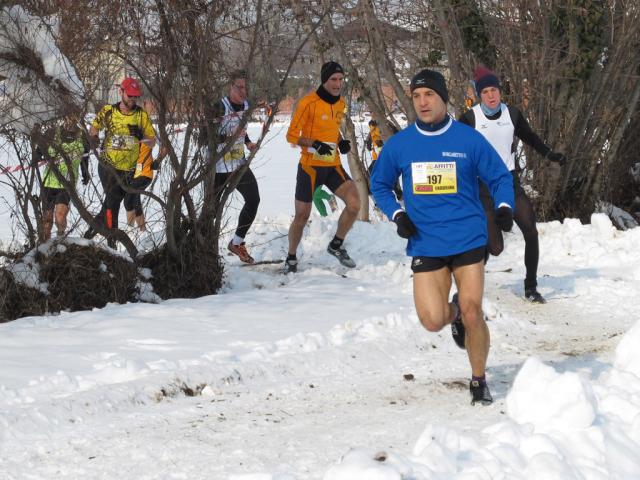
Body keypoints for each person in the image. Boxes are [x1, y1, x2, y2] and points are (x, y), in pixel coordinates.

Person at [371, 69, 515, 406]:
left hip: (468, 238)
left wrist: (504, 206)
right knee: (432, 320)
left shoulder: (467, 140)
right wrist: (397, 214)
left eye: (429, 95)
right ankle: (455, 315)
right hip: (427, 242)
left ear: (442, 98)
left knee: (473, 309)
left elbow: (498, 176)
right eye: (417, 96)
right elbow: (379, 184)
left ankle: (479, 380)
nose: (422, 102)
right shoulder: (401, 144)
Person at [458, 66, 566, 303]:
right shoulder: (469, 119)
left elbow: (530, 137)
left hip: (508, 181)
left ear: (500, 91)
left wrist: (550, 154)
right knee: (495, 247)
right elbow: (455, 151)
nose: (491, 95)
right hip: (482, 187)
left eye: (494, 90)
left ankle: (531, 287)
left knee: (530, 229)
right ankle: (468, 283)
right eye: (485, 91)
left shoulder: (512, 114)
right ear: (479, 95)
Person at [284, 61, 361, 273]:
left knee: (355, 204)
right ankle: (291, 256)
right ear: (324, 80)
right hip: (310, 167)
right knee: (302, 216)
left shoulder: (341, 103)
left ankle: (336, 245)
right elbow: (291, 136)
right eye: (333, 80)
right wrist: (314, 143)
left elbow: (331, 129)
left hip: (332, 164)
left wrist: (340, 141)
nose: (338, 84)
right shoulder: (308, 103)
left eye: (340, 79)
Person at [86, 77, 156, 247]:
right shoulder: (108, 111)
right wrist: (93, 138)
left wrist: (140, 137)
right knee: (113, 201)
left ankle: (89, 234)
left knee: (111, 202)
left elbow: (152, 140)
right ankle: (112, 242)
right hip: (108, 165)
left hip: (129, 169)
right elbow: (93, 129)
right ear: (121, 92)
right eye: (130, 96)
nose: (132, 100)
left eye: (135, 97)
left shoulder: (140, 115)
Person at [208, 70, 260, 264]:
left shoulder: (246, 106)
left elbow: (242, 130)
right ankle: (205, 249)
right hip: (219, 167)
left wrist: (247, 142)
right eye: (238, 87)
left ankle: (237, 243)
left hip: (238, 164)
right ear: (230, 87)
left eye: (244, 87)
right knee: (211, 211)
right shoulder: (219, 106)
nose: (242, 91)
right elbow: (204, 138)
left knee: (253, 200)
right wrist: (227, 139)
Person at [37, 119, 90, 241]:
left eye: (73, 116)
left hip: (67, 184)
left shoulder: (82, 136)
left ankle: (60, 239)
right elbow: (39, 150)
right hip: (49, 182)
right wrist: (38, 156)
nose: (70, 121)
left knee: (60, 217)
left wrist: (85, 174)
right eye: (67, 117)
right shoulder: (52, 133)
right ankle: (44, 244)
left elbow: (85, 158)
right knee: (47, 219)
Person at [123, 142, 165, 233]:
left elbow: (164, 145)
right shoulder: (131, 136)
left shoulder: (147, 134)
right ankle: (140, 230)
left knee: (128, 200)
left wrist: (158, 161)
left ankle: (132, 229)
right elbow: (117, 145)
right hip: (135, 175)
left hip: (145, 175)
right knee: (133, 201)